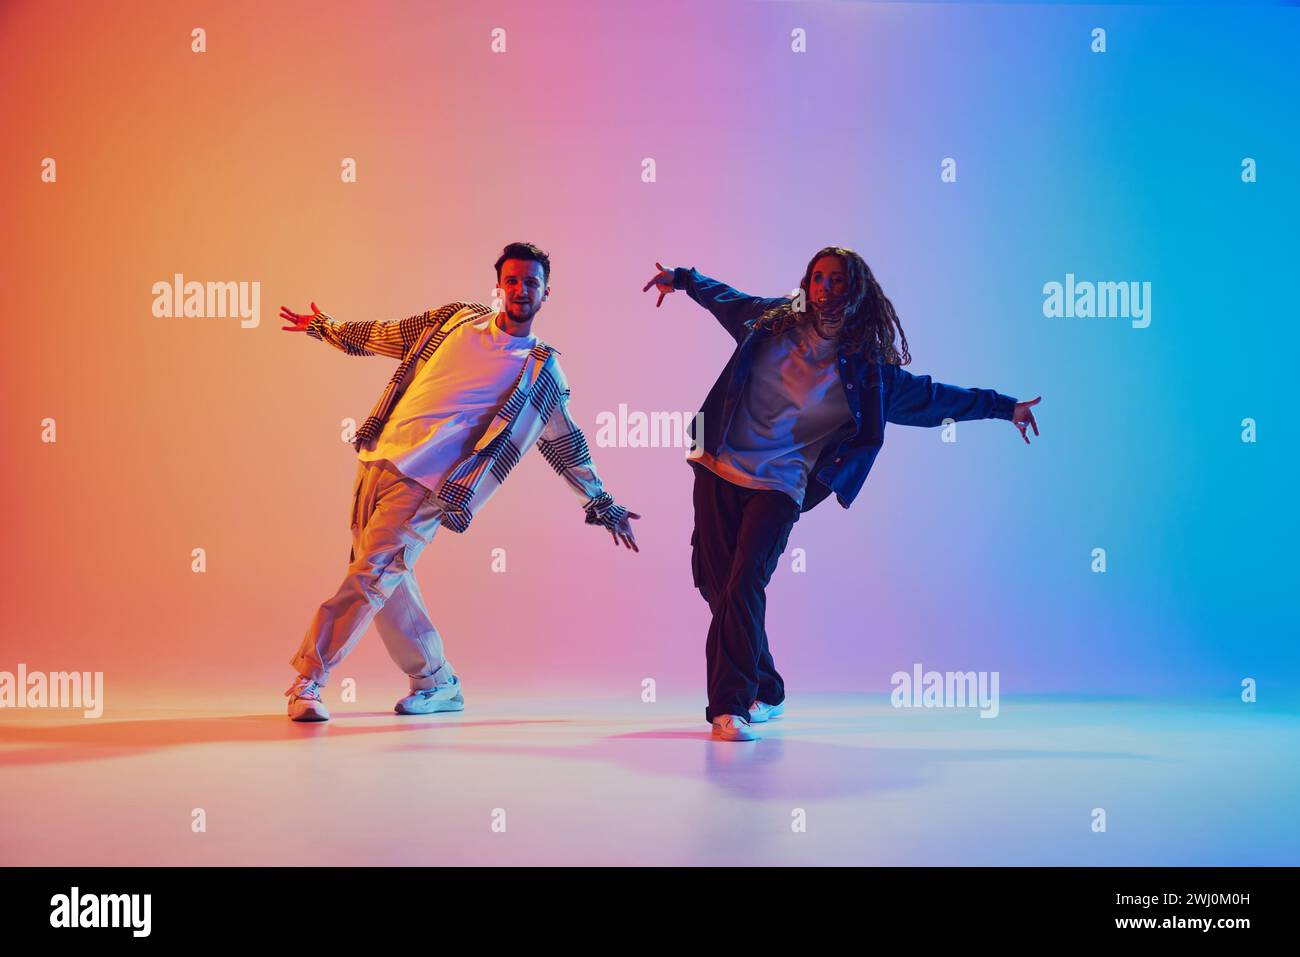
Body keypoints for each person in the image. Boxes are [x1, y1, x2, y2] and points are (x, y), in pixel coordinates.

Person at [643, 247, 1040, 741]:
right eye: (818, 279)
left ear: (856, 292)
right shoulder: (770, 321)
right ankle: (768, 687)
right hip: (718, 464)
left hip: (782, 483)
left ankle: (730, 707)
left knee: (745, 582)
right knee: (716, 585)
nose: (825, 289)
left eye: (836, 281)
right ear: (806, 284)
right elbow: (726, 298)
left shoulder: (870, 372)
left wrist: (1005, 408)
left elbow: (935, 398)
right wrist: (682, 279)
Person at [280, 242, 640, 721]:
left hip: (428, 483)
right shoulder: (455, 320)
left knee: (368, 578)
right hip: (378, 458)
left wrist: (601, 502)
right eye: (511, 281)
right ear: (499, 286)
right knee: (385, 579)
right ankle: (437, 681)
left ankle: (309, 679)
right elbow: (385, 335)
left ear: (545, 292)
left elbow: (564, 443)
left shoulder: (542, 370)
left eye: (530, 283)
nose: (520, 290)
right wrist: (326, 328)